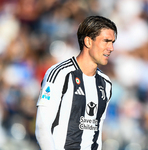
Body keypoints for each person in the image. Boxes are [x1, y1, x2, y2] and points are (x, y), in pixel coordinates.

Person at [35, 15, 117, 150]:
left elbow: (96, 132)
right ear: (88, 42)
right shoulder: (60, 73)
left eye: (112, 42)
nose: (111, 48)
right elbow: (42, 126)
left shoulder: (105, 83)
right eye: (106, 41)